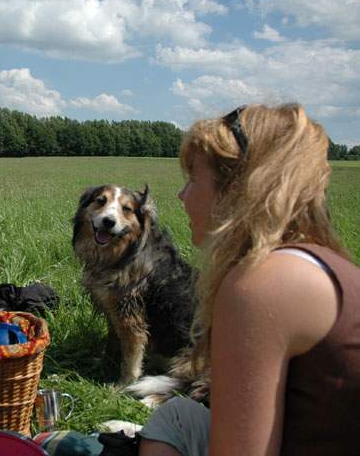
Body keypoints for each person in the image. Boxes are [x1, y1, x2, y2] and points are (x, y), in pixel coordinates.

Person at [136, 104, 360, 456]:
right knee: (176, 415)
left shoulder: (261, 284)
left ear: (238, 190)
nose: (182, 196)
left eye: (193, 179)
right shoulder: (320, 260)